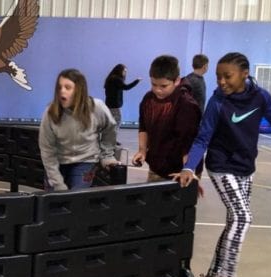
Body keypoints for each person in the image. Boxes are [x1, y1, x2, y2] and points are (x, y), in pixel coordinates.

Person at [173, 52, 271, 277]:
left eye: (227, 76)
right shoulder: (218, 102)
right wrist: (188, 167)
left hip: (245, 167)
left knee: (234, 221)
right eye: (218, 76)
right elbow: (202, 138)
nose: (221, 81)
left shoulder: (260, 96)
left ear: (244, 74)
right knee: (243, 218)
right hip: (221, 166)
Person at [39, 68, 119, 191]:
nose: (62, 91)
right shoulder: (50, 112)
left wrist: (106, 155)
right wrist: (57, 183)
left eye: (67, 87)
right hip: (57, 162)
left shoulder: (96, 107)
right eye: (59, 87)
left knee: (76, 201)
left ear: (79, 90)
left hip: (86, 160)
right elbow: (47, 150)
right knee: (54, 201)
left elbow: (110, 128)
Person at [131, 55, 202, 183]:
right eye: (154, 84)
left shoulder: (186, 105)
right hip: (156, 167)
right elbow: (143, 127)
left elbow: (189, 143)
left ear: (177, 81)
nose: (158, 90)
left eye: (164, 86)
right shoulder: (148, 99)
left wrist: (189, 170)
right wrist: (142, 151)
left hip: (180, 171)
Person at [103, 64, 141, 143]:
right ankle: (112, 140)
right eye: (124, 71)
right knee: (116, 122)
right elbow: (126, 87)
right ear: (119, 70)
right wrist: (137, 81)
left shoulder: (111, 78)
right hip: (114, 105)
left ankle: (110, 139)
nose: (125, 73)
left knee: (112, 123)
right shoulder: (116, 79)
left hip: (110, 104)